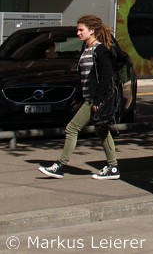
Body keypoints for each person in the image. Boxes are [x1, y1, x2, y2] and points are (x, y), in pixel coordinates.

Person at [38, 15, 120, 180]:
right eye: (78, 29)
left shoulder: (101, 50)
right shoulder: (87, 49)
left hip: (96, 100)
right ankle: (113, 168)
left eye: (81, 30)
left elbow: (105, 78)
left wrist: (97, 100)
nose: (78, 33)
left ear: (92, 30)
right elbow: (85, 78)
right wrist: (79, 97)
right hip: (89, 98)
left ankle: (60, 166)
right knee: (102, 130)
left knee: (71, 128)